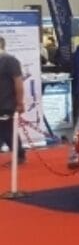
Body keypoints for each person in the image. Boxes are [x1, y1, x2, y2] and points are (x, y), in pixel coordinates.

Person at [0, 37, 26, 165]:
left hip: (6, 102)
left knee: (7, 131)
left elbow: (18, 82)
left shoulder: (10, 60)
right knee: (7, 130)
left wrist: (19, 102)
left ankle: (19, 156)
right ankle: (19, 155)